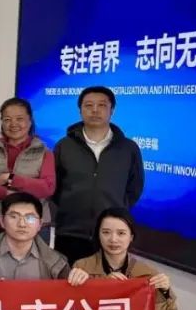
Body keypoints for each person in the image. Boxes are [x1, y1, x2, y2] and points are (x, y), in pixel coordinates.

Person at [53, 86, 144, 266]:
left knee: (108, 282)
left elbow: (134, 187)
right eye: (88, 105)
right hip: (70, 232)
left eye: (102, 105)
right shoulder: (64, 146)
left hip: (111, 236)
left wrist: (117, 208)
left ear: (112, 110)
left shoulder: (128, 148)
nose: (95, 110)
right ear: (80, 110)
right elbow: (55, 187)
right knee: (67, 281)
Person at [0, 97, 54, 242]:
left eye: (19, 119)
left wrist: (9, 179)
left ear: (30, 121)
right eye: (7, 119)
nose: (13, 124)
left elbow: (47, 188)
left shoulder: (44, 153)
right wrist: (9, 193)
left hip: (35, 226)